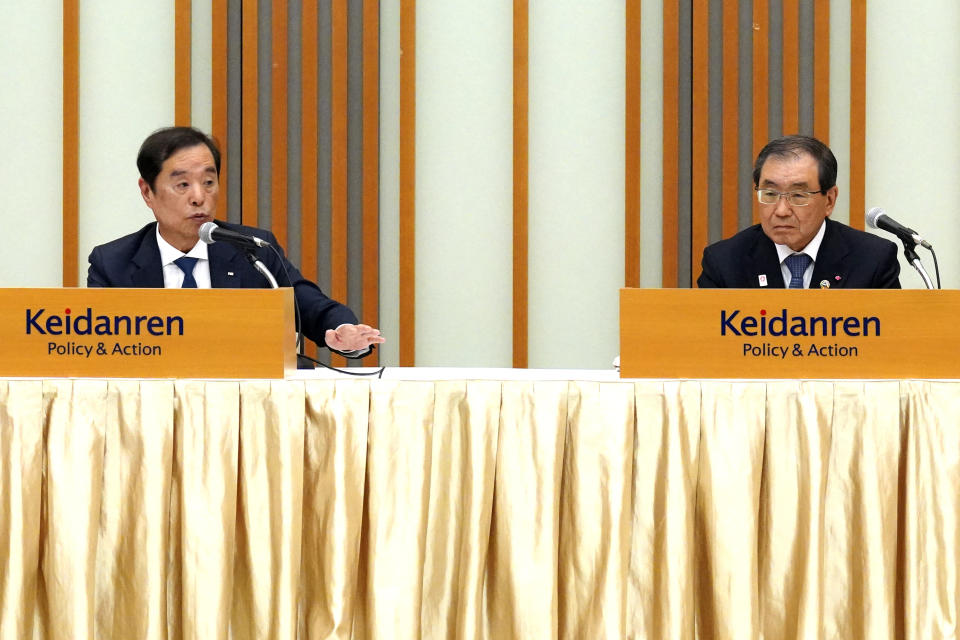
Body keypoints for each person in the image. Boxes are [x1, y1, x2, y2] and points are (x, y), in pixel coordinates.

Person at [87, 126, 384, 357]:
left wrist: (343, 330)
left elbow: (309, 306)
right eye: (182, 185)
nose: (199, 197)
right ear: (147, 192)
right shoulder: (113, 263)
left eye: (208, 182)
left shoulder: (250, 249)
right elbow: (101, 350)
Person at [697, 135, 901, 289]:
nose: (781, 210)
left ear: (829, 200)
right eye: (769, 193)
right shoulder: (724, 263)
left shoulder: (873, 260)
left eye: (798, 196)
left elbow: (891, 341)